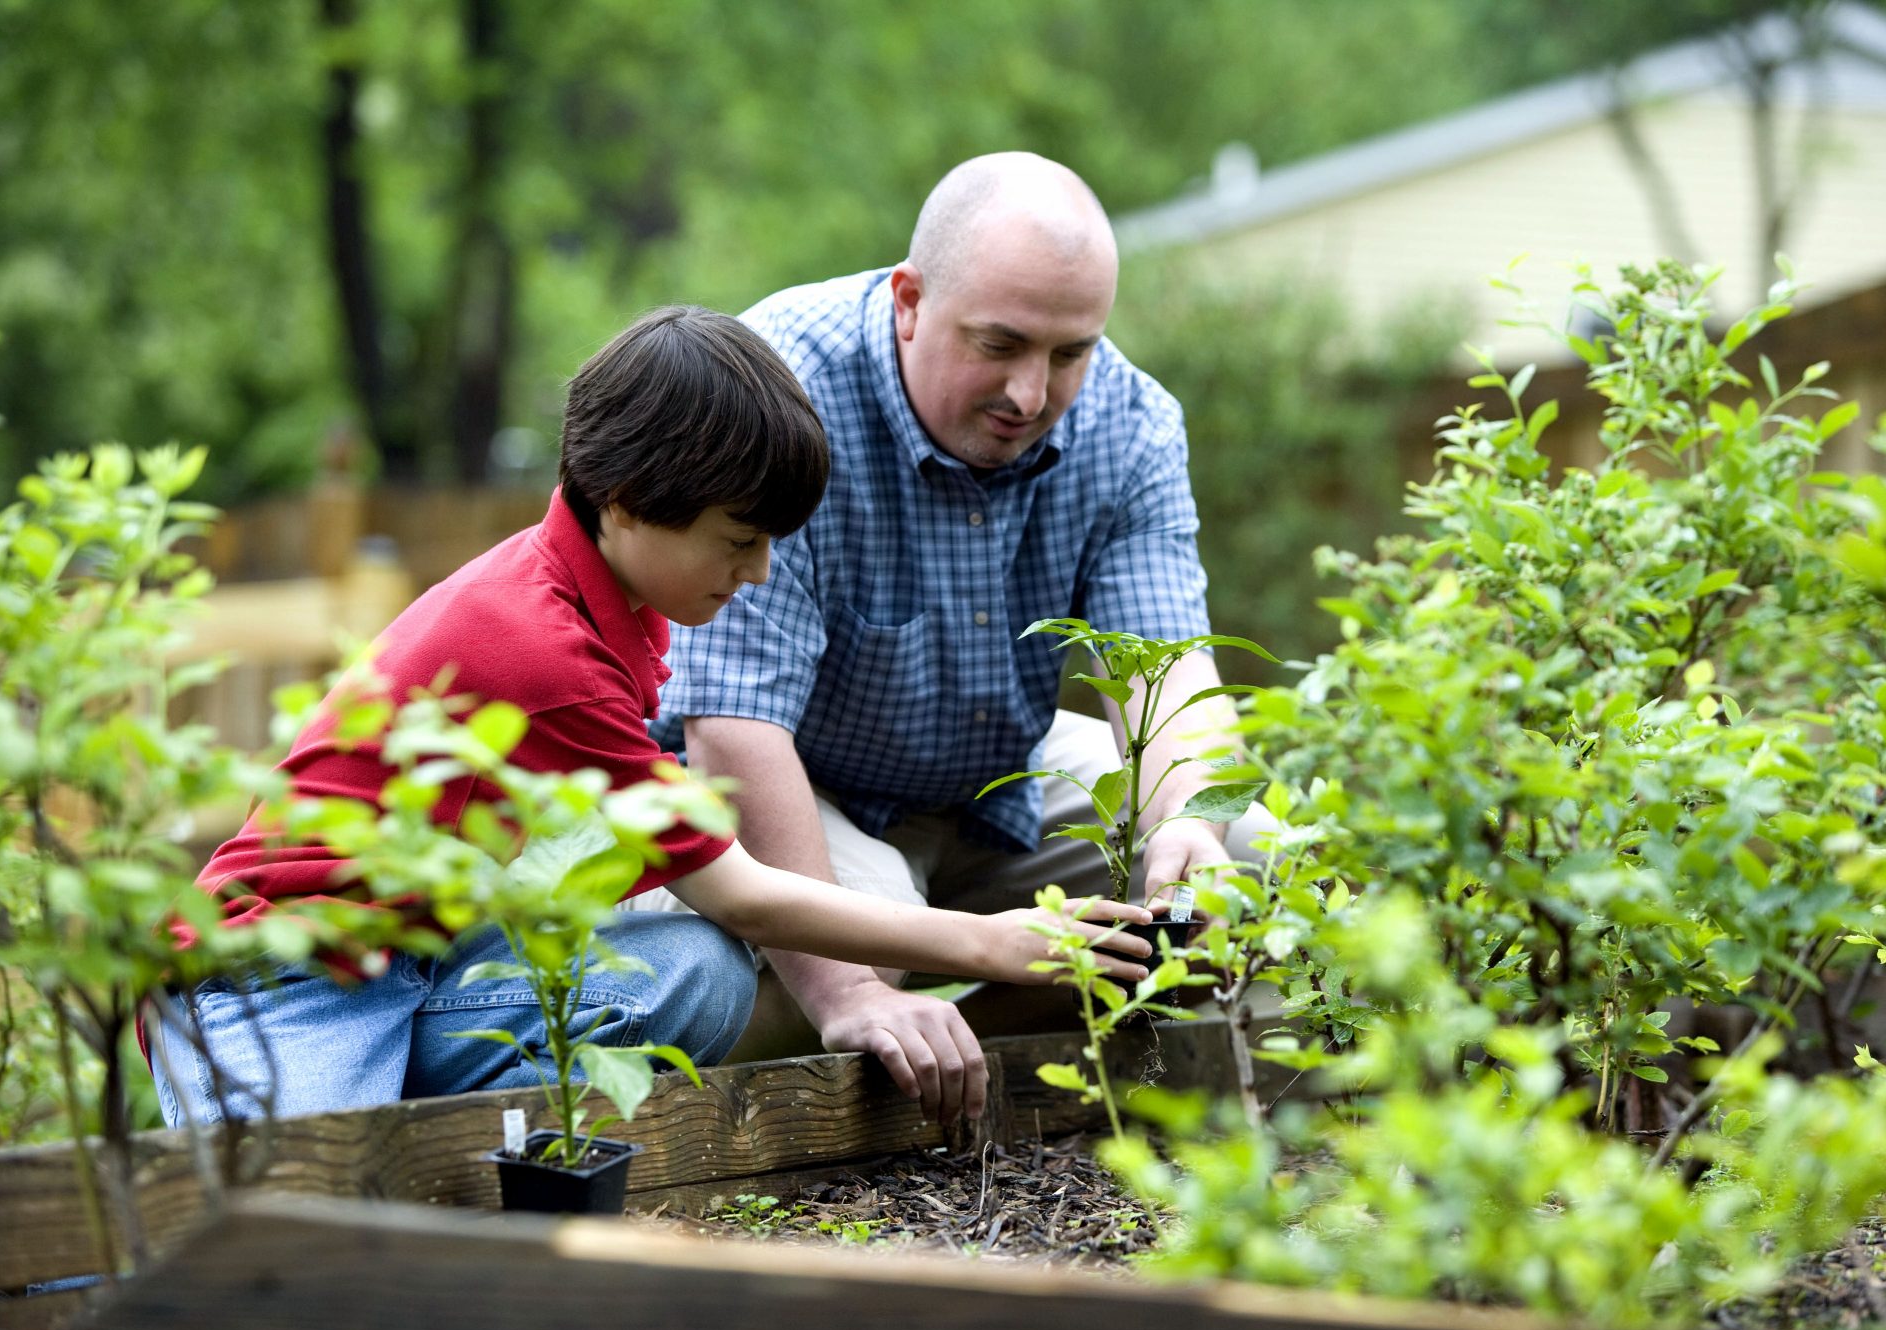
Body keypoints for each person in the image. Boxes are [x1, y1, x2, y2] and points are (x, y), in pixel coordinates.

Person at [150, 305, 1151, 1130]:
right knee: (268, 1231)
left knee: (693, 978)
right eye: (738, 540)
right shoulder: (539, 645)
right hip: (284, 975)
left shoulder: (613, 607)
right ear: (627, 502)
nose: (757, 571)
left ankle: (417, 1130)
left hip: (419, 960)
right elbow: (743, 891)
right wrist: (986, 944)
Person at [652, 153, 1267, 1129]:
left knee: (1252, 860)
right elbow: (730, 728)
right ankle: (827, 1060)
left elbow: (1164, 671)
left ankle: (961, 1061)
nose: (1031, 392)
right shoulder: (778, 389)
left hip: (996, 777)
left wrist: (1186, 820)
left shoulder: (1131, 423)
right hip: (798, 776)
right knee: (864, 939)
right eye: (1000, 345)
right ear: (908, 300)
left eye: (1069, 354)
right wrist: (849, 990)